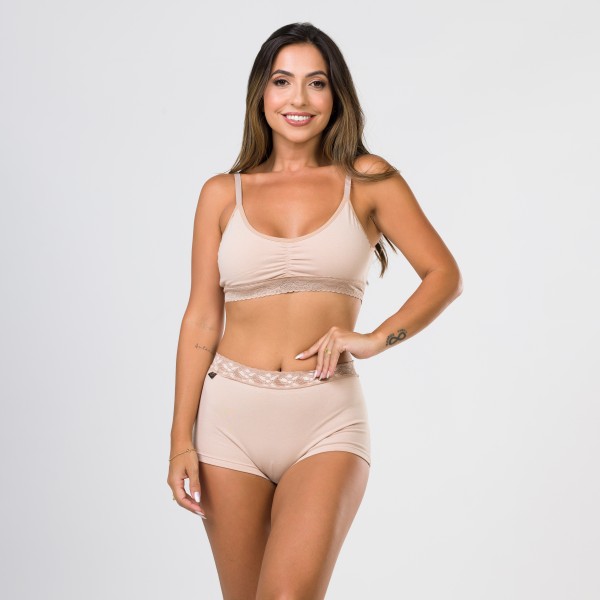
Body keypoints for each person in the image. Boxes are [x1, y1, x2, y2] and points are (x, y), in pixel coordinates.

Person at [167, 21, 462, 600]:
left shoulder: (368, 179)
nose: (298, 99)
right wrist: (181, 438)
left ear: (336, 94)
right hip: (228, 421)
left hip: (326, 419)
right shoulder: (222, 193)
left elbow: (444, 275)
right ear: (261, 92)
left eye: (316, 82)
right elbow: (201, 317)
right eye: (282, 81)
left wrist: (375, 338)